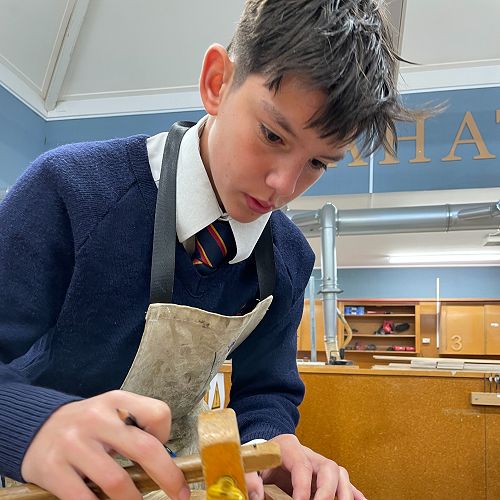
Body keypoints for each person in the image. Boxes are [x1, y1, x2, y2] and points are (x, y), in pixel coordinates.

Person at [0, 1, 416, 499]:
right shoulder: (69, 190)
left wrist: (270, 443)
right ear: (217, 82)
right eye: (272, 135)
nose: (283, 186)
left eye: (317, 164)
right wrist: (31, 424)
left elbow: (266, 389)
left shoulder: (288, 259)